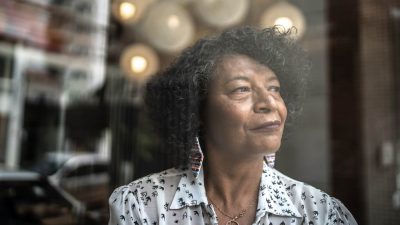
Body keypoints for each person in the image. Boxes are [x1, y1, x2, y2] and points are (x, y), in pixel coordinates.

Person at [108, 26, 358, 225]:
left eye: (274, 88)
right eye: (241, 89)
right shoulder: (140, 207)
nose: (269, 103)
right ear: (198, 111)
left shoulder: (322, 214)